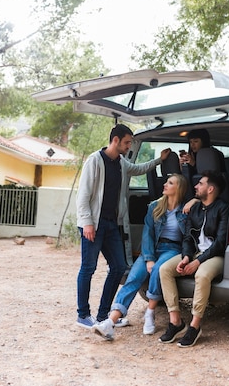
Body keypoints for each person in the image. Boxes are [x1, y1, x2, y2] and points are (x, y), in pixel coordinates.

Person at [75, 123, 173, 329]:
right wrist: (87, 223)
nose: (129, 146)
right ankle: (83, 315)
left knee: (119, 267)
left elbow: (138, 169)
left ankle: (104, 315)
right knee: (88, 268)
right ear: (116, 140)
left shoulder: (121, 162)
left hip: (111, 225)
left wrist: (159, 160)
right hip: (93, 224)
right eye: (127, 142)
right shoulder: (94, 161)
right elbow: (83, 196)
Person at [91, 173, 188, 340]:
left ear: (178, 189)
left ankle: (150, 313)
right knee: (134, 277)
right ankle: (110, 322)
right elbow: (147, 235)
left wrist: (194, 201)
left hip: (172, 249)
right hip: (152, 248)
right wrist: (149, 257)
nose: (165, 184)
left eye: (170, 183)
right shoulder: (155, 207)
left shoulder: (186, 210)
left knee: (158, 270)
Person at [158, 170, 229, 348]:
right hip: (195, 253)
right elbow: (188, 238)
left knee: (202, 275)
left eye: (201, 184)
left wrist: (197, 262)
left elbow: (220, 243)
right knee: (165, 269)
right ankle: (175, 321)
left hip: (215, 256)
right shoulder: (195, 208)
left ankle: (195, 326)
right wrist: (186, 257)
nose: (196, 186)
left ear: (211, 189)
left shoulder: (223, 208)